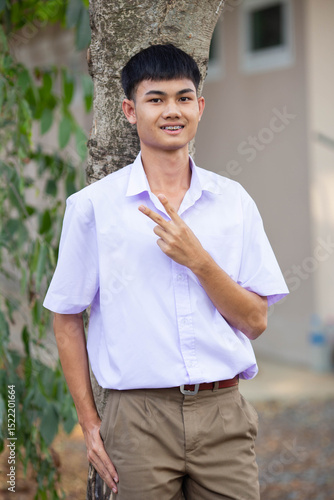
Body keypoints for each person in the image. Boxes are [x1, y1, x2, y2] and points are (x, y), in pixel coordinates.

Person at [43, 44, 289, 499]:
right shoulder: (93, 208)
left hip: (223, 414)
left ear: (200, 106)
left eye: (183, 97)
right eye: (155, 99)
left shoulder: (233, 202)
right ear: (129, 110)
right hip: (137, 420)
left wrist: (199, 261)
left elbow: (255, 321)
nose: (171, 110)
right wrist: (89, 422)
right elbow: (65, 318)